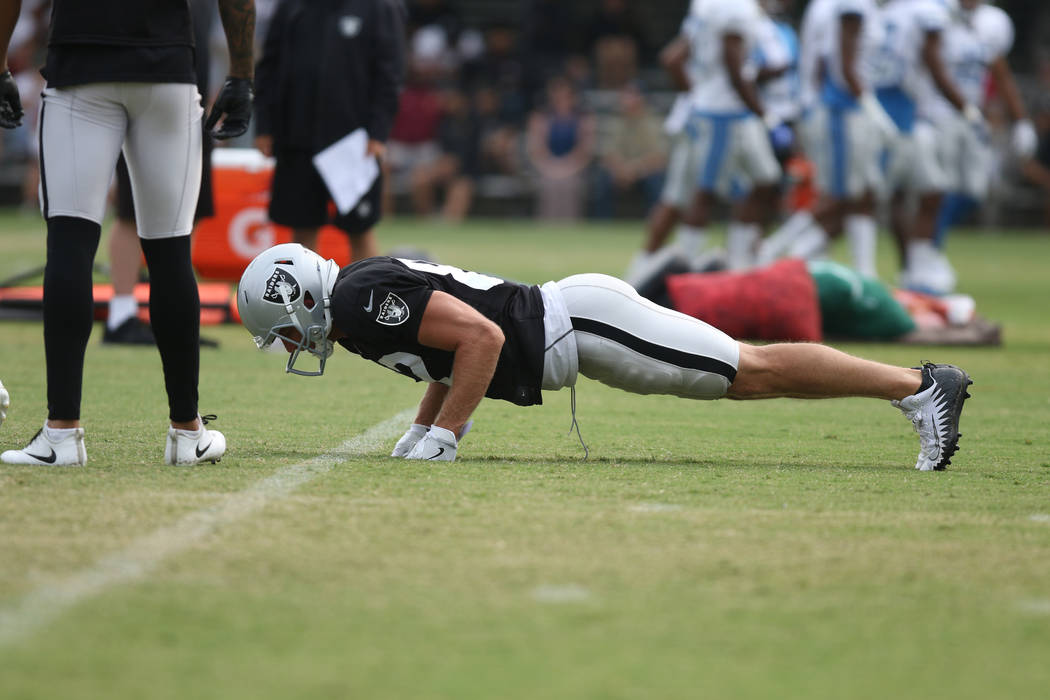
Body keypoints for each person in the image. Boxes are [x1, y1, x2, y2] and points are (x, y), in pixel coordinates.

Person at [236, 243, 973, 472]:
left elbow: (483, 340)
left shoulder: (361, 300)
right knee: (749, 375)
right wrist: (421, 426)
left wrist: (446, 437)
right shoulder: (360, 297)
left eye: (286, 330)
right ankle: (913, 388)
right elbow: (444, 357)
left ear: (296, 298)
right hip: (575, 326)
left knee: (752, 371)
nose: (294, 345)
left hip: (579, 322)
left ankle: (919, 385)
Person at [0, 0, 256, 467]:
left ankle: (62, 431)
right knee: (171, 253)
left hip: (81, 67)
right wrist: (242, 73)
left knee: (70, 246)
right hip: (167, 68)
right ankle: (187, 433)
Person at [253, 0, 406, 262]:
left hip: (353, 141)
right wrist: (265, 125)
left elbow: (390, 73)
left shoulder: (379, 7)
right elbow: (268, 66)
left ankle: (368, 298)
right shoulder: (291, 6)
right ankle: (307, 300)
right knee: (301, 228)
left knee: (360, 228)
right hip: (296, 135)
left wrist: (378, 132)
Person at [103, 0, 217, 346]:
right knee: (131, 211)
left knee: (188, 211)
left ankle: (169, 312)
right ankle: (121, 314)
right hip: (144, 95)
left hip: (191, 104)